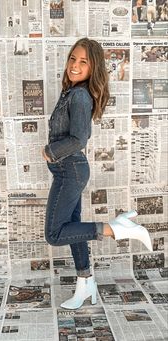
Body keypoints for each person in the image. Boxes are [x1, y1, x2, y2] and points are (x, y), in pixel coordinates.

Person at [42, 38, 152, 310]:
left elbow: (79, 138)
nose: (74, 66)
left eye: (83, 62)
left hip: (70, 171)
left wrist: (50, 151)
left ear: (94, 68)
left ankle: (117, 229)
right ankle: (85, 282)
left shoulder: (79, 96)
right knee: (74, 229)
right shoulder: (72, 91)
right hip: (68, 171)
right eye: (72, 59)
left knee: (55, 234)